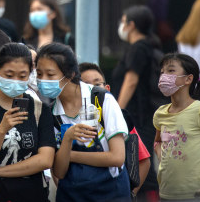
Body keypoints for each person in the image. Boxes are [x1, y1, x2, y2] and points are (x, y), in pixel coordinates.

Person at [36, 43, 131, 202]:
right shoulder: (50, 113)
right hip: (71, 195)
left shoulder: (101, 100)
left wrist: (70, 155)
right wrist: (67, 139)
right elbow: (59, 172)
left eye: (50, 74)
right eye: (39, 74)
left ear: (71, 74)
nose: (42, 80)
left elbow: (117, 157)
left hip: (111, 193)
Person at [0, 43, 56, 201]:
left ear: (30, 74)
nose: (16, 81)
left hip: (32, 194)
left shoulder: (40, 110)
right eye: (9, 75)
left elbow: (45, 160)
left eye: (22, 76)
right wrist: (2, 129)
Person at [79, 62, 151, 200]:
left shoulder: (120, 120)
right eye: (86, 84)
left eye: (97, 84)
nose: (92, 88)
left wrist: (131, 194)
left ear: (107, 88)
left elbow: (144, 161)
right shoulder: (71, 121)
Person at [111, 5, 161, 197]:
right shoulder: (145, 46)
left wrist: (116, 111)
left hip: (137, 116)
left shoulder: (139, 47)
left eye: (123, 21)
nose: (121, 25)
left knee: (141, 164)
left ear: (131, 25)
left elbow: (131, 81)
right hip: (141, 116)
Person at [153, 53, 200, 200]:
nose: (164, 76)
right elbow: (158, 142)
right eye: (162, 72)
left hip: (196, 194)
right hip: (166, 193)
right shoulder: (160, 114)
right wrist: (163, 157)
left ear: (188, 79)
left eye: (171, 71)